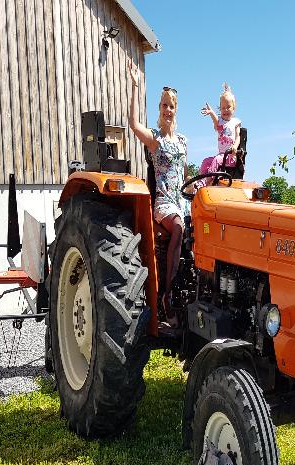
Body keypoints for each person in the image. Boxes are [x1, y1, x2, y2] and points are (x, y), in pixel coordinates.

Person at [127, 58, 187, 325]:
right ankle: (166, 295)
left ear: (176, 109)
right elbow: (132, 124)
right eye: (164, 105)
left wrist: (196, 188)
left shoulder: (182, 141)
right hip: (164, 202)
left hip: (181, 200)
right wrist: (134, 86)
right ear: (159, 108)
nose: (168, 110)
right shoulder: (155, 139)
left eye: (171, 106)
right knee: (179, 227)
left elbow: (185, 175)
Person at [199, 83, 241, 176]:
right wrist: (211, 112)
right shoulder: (220, 122)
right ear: (220, 109)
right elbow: (216, 120)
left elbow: (238, 136)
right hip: (221, 155)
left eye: (228, 107)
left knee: (217, 160)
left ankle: (209, 180)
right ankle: (202, 180)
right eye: (223, 108)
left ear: (234, 108)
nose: (226, 110)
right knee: (206, 161)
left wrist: (235, 146)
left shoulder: (235, 122)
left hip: (230, 157)